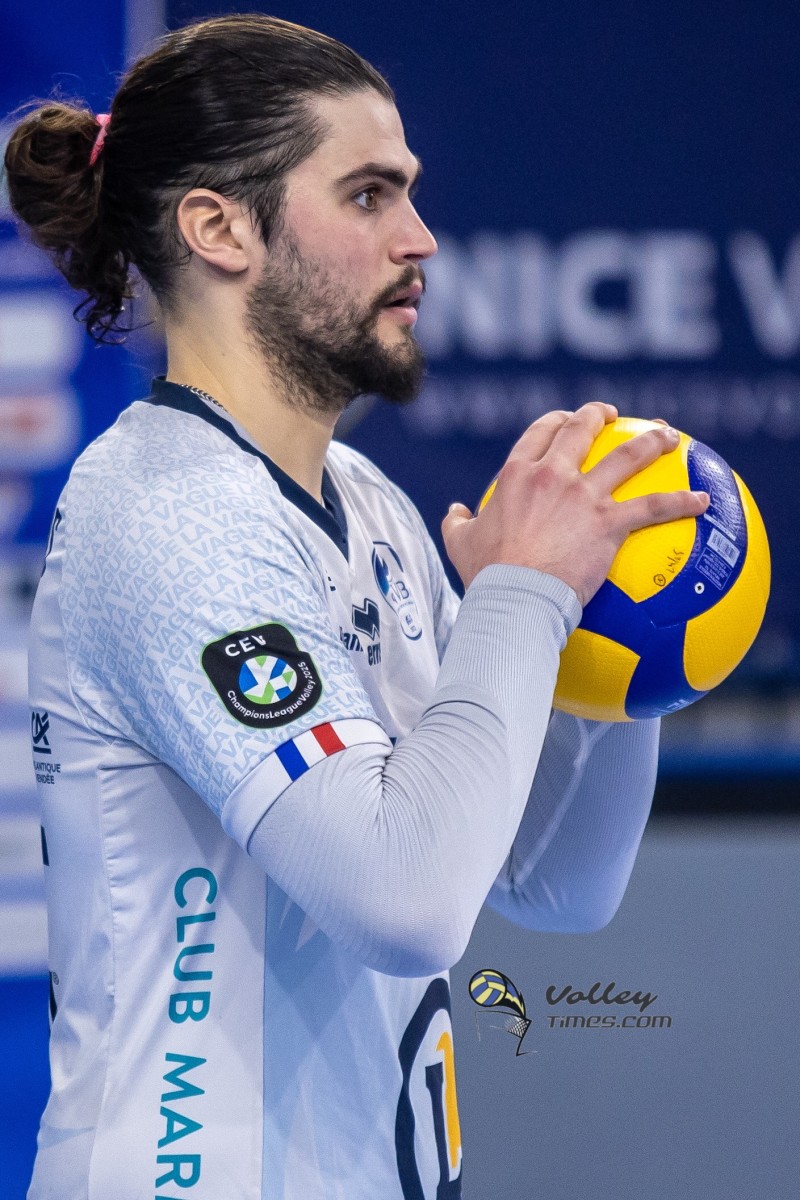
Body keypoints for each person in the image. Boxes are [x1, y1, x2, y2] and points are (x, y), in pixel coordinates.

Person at [5, 15, 708, 1200]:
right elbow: (406, 902)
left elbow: (553, 881)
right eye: (369, 194)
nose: (419, 238)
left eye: (409, 192)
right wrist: (525, 589)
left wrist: (613, 631)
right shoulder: (169, 512)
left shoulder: (363, 501)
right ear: (220, 228)